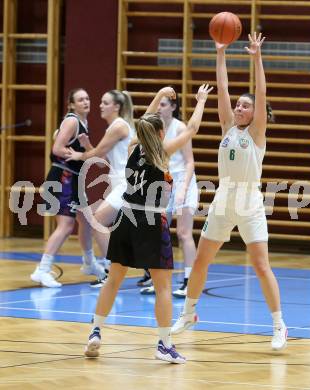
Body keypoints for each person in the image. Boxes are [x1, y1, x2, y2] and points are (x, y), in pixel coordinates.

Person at [171, 32, 288, 351]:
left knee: (261, 265)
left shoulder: (258, 132)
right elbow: (221, 88)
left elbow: (262, 92)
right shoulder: (226, 128)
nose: (239, 107)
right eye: (238, 104)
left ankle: (279, 325)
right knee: (200, 262)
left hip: (250, 202)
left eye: (245, 105)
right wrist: (220, 53)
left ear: (254, 113)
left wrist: (257, 58)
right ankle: (188, 312)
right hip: (223, 200)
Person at [84, 84, 212, 363]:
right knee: (164, 287)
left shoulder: (132, 147)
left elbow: (144, 120)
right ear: (161, 133)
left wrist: (160, 95)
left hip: (125, 218)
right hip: (150, 221)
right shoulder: (162, 152)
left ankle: (95, 331)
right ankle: (164, 344)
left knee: (114, 279)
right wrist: (201, 101)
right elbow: (191, 128)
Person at [31, 88, 106, 288]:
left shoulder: (82, 123)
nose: (85, 102)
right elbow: (56, 149)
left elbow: (95, 160)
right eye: (80, 99)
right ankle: (42, 270)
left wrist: (84, 149)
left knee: (86, 222)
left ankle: (89, 263)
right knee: (65, 227)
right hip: (63, 176)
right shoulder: (72, 121)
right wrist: (76, 155)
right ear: (71, 104)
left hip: (73, 179)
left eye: (88, 98)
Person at [67, 90, 135, 288]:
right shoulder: (115, 127)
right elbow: (100, 162)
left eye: (105, 102)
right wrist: (87, 144)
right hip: (121, 183)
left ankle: (109, 271)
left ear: (116, 107)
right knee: (130, 232)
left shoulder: (119, 126)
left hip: (127, 183)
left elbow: (97, 154)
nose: (100, 105)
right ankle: (147, 271)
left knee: (97, 221)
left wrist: (78, 155)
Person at [140, 92, 199, 297]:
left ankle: (189, 280)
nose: (159, 108)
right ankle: (158, 280)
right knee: (157, 232)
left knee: (184, 233)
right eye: (158, 104)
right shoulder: (153, 130)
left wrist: (183, 189)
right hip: (163, 183)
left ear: (173, 107)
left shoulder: (180, 127)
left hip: (184, 180)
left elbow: (190, 161)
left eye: (163, 104)